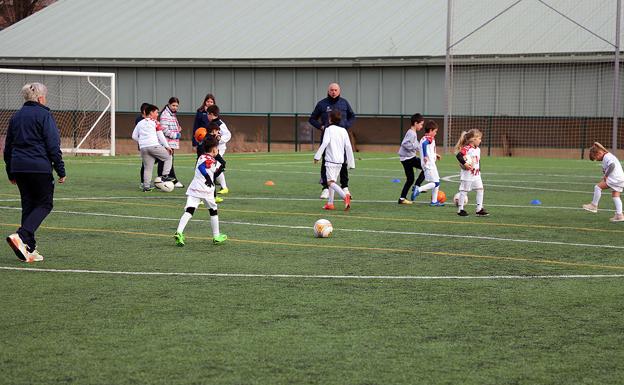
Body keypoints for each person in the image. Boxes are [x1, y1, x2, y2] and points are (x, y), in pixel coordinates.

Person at [3, 82, 66, 262]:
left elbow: (8, 147)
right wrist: (60, 169)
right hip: (38, 166)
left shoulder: (15, 116)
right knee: (45, 204)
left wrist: (10, 171)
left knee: (29, 205)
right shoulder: (44, 114)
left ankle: (28, 248)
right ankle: (22, 235)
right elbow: (53, 144)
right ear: (40, 98)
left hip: (19, 166)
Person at [174, 136, 228, 246]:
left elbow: (211, 172)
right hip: (206, 190)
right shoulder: (211, 160)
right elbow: (204, 168)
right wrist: (208, 178)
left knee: (189, 210)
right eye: (216, 148)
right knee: (213, 210)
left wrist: (214, 172)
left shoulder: (201, 157)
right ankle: (216, 236)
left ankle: (179, 232)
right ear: (214, 149)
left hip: (195, 188)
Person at [309, 83, 356, 199]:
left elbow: (352, 116)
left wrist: (346, 126)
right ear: (328, 91)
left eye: (335, 90)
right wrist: (321, 127)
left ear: (339, 91)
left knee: (343, 161)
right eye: (331, 90)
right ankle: (325, 188)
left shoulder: (344, 103)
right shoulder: (322, 104)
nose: (333, 92)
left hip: (341, 137)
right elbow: (312, 119)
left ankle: (345, 187)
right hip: (328, 137)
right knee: (326, 162)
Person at [313, 110, 355, 211]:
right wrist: (351, 163)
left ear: (330, 119)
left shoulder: (328, 129)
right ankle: (330, 203)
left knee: (329, 183)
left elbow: (325, 142)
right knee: (332, 181)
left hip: (330, 160)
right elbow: (348, 147)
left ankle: (345, 197)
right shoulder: (343, 130)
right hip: (340, 162)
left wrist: (317, 156)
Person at [132, 104, 173, 191]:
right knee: (168, 156)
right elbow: (161, 136)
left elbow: (134, 136)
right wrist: (167, 147)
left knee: (148, 167)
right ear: (151, 113)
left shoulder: (140, 123)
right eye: (156, 112)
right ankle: (165, 176)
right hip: (153, 145)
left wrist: (142, 142)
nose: (157, 114)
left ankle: (146, 187)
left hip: (143, 148)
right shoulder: (155, 122)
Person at [582, 142, 624, 222]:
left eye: (596, 157)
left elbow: (612, 165)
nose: (597, 159)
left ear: (599, 153)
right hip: (621, 178)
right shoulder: (607, 154)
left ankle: (594, 206)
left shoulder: (606, 157)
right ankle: (619, 215)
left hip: (615, 178)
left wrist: (606, 175)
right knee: (615, 195)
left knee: (597, 187)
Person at [454, 129, 489, 217]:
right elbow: (459, 155)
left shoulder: (478, 149)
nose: (480, 140)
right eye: (479, 138)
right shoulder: (467, 148)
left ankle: (479, 209)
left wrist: (479, 169)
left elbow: (478, 161)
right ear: (473, 139)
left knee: (480, 189)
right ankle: (460, 209)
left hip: (476, 174)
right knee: (464, 191)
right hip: (468, 174)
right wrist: (465, 164)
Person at [411, 120, 443, 206]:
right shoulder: (429, 138)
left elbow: (428, 149)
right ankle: (419, 189)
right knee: (435, 183)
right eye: (435, 131)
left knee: (437, 182)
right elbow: (425, 145)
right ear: (431, 130)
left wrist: (435, 155)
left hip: (429, 163)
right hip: (429, 164)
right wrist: (425, 156)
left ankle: (434, 201)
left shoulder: (423, 138)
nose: (436, 133)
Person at [397, 113, 426, 205]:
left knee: (410, 179)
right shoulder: (411, 133)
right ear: (415, 123)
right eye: (421, 124)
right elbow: (404, 144)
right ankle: (417, 186)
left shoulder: (412, 133)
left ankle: (402, 198)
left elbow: (416, 144)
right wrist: (414, 147)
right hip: (408, 158)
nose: (421, 126)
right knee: (426, 168)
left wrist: (420, 148)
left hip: (406, 158)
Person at [206, 104, 231, 200]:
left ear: (211, 114)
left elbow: (228, 135)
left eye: (207, 114)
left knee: (216, 167)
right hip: (214, 148)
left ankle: (222, 187)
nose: (207, 116)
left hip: (219, 148)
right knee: (216, 166)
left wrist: (220, 139)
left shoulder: (220, 124)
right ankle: (223, 187)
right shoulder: (213, 123)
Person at [159, 97, 183, 188]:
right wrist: (176, 135)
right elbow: (164, 130)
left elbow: (171, 126)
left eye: (177, 106)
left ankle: (162, 179)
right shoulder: (165, 114)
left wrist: (178, 128)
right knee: (167, 161)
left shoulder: (171, 114)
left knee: (165, 161)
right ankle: (172, 179)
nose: (175, 107)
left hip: (170, 143)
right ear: (169, 104)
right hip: (166, 142)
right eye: (173, 105)